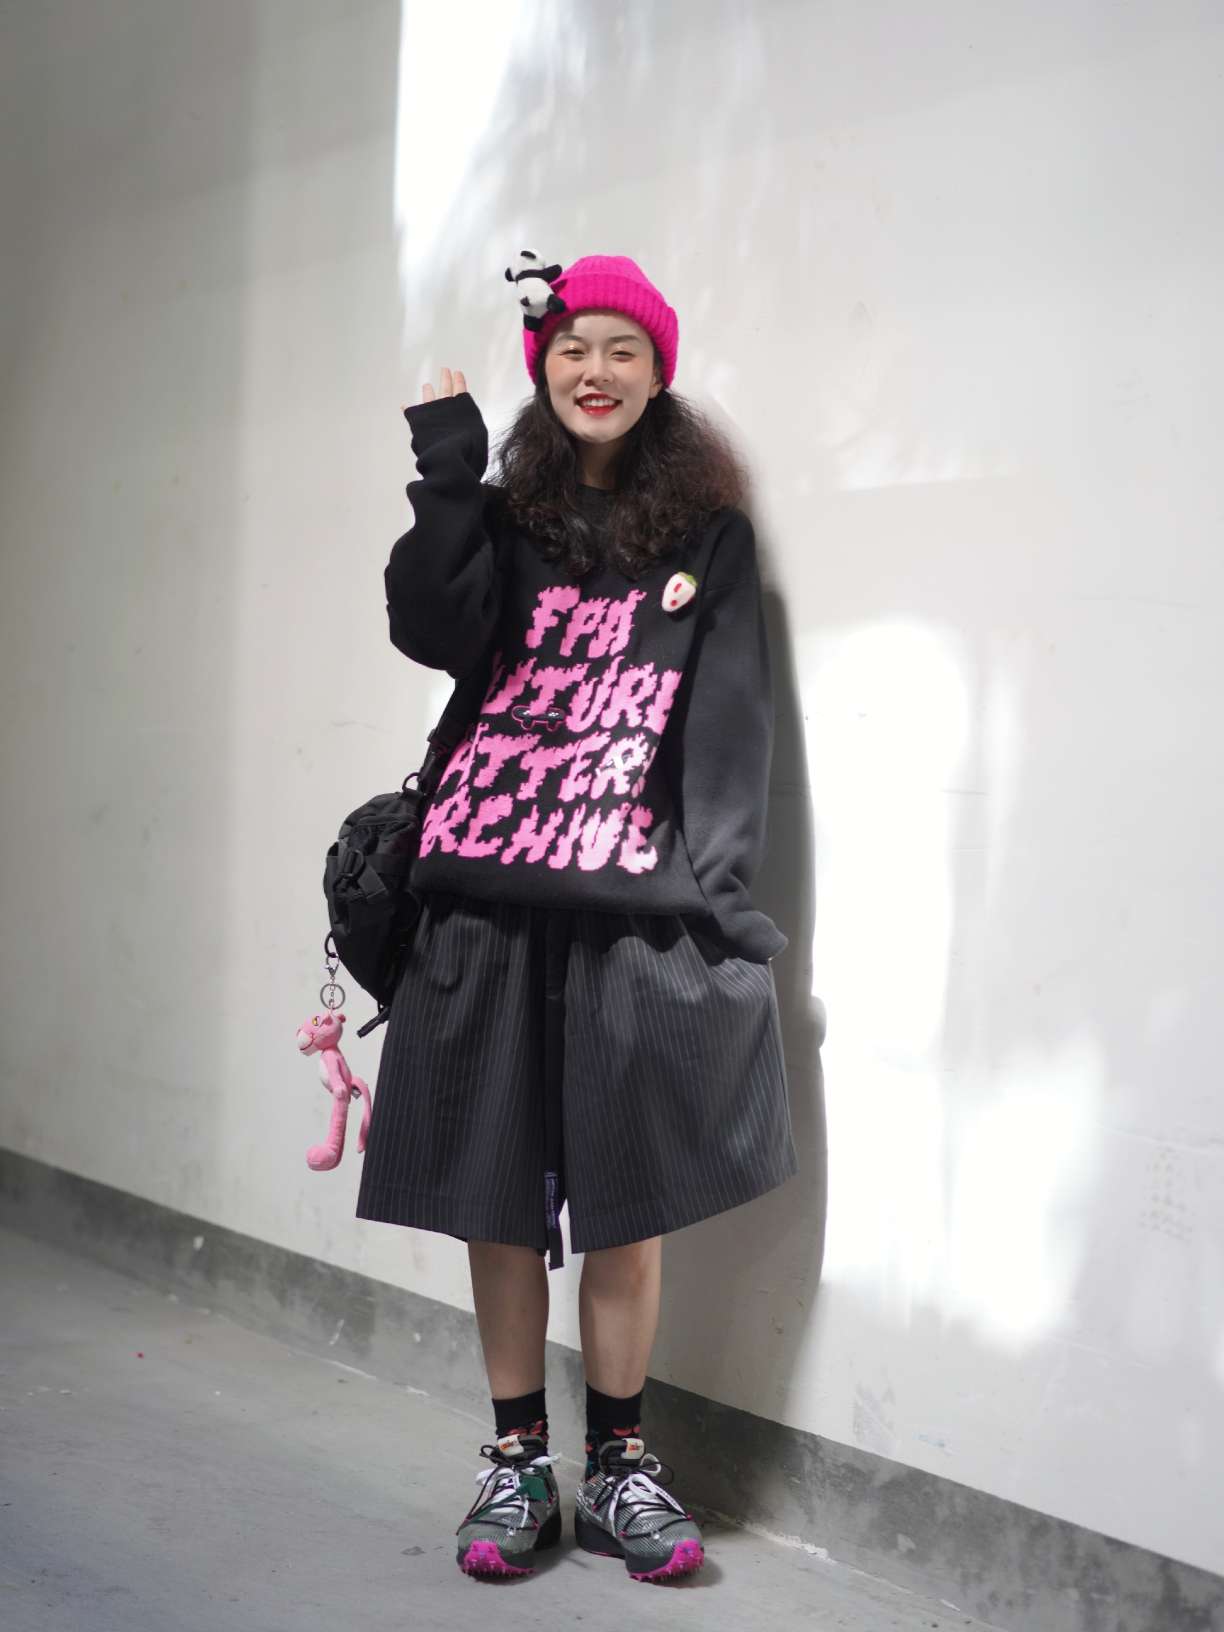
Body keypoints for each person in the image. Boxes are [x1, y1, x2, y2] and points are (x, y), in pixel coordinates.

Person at [355, 253, 798, 1583]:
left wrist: (723, 903)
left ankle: (619, 1468)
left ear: (659, 374)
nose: (594, 371)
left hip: (631, 912)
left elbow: (731, 724)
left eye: (622, 349)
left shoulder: (706, 537)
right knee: (494, 1197)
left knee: (627, 1201)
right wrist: (447, 471)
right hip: (486, 900)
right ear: (542, 367)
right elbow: (428, 628)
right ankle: (515, 1466)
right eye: (572, 348)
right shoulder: (502, 519)